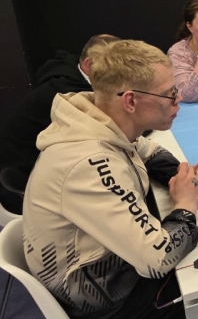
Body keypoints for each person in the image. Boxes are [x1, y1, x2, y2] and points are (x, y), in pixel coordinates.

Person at [22, 40, 198, 319]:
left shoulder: (96, 121)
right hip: (108, 309)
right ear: (130, 101)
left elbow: (148, 152)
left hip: (101, 279)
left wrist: (179, 177)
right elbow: (158, 258)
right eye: (169, 94)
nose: (178, 100)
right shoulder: (89, 162)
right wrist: (186, 205)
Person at [0, 34, 119, 214]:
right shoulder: (67, 93)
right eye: (111, 66)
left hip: (42, 166)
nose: (119, 74)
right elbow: (112, 129)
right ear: (88, 64)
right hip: (26, 182)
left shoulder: (70, 74)